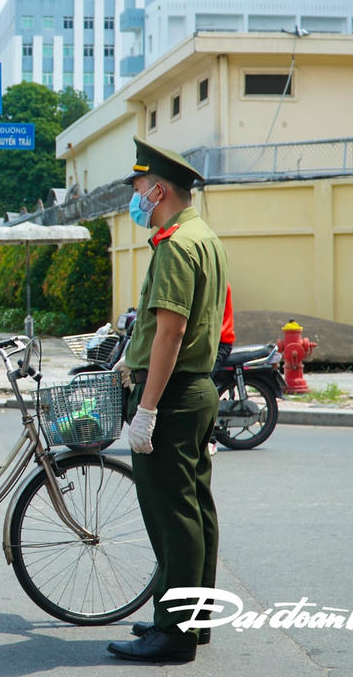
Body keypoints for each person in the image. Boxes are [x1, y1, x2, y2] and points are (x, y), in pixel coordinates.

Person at [107, 140, 227, 664]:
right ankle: (188, 621)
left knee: (171, 514)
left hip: (174, 395)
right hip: (196, 389)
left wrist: (148, 408)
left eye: (137, 189)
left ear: (158, 189)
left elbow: (171, 331)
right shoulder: (203, 236)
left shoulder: (176, 244)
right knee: (195, 509)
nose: (135, 198)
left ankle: (174, 634)